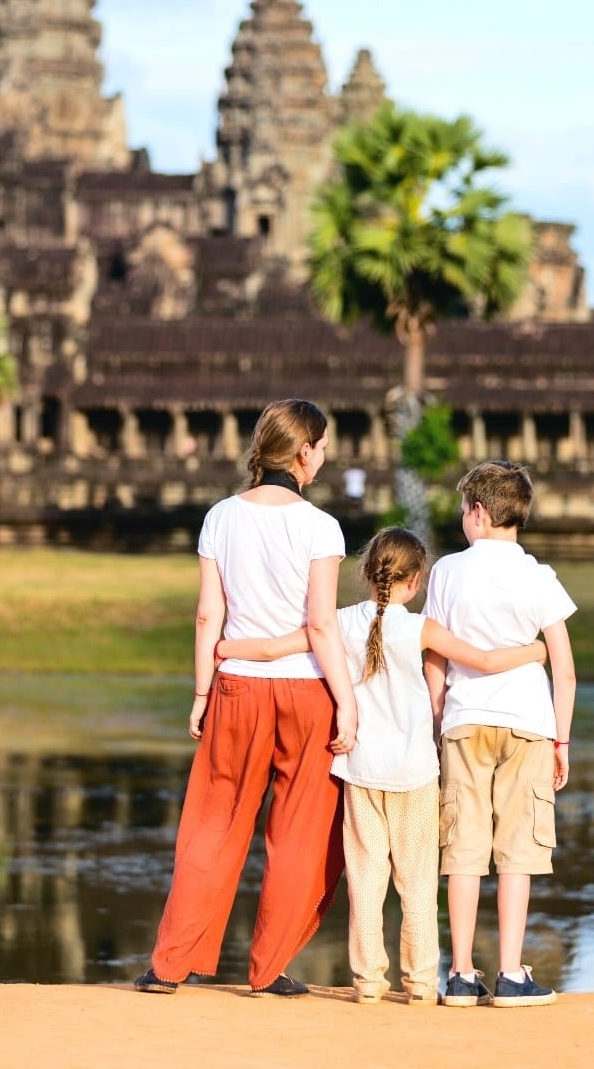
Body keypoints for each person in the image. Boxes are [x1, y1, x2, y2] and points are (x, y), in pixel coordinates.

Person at [216, 525, 548, 1006]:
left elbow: (269, 649)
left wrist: (223, 649)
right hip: (414, 773)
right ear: (414, 583)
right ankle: (418, 983)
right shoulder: (419, 629)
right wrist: (537, 650)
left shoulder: (340, 622)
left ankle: (368, 982)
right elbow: (488, 661)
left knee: (366, 882)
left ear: (368, 574)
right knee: (415, 883)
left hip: (358, 771)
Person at [134, 398, 357, 999]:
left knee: (213, 823)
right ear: (305, 451)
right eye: (324, 446)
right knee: (298, 832)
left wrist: (202, 691)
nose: (326, 457)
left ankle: (169, 966)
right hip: (307, 689)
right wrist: (350, 702)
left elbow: (210, 614)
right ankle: (269, 968)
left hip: (236, 687)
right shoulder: (320, 526)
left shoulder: (221, 517)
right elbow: (322, 626)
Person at [423, 461, 577, 1009]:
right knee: (518, 851)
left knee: (463, 849)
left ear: (480, 514)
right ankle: (511, 971)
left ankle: (461, 974)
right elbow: (564, 667)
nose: (464, 521)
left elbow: (435, 657)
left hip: (465, 721)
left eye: (465, 512)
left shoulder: (446, 572)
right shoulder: (539, 576)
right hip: (529, 723)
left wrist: (438, 720)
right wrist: (562, 740)